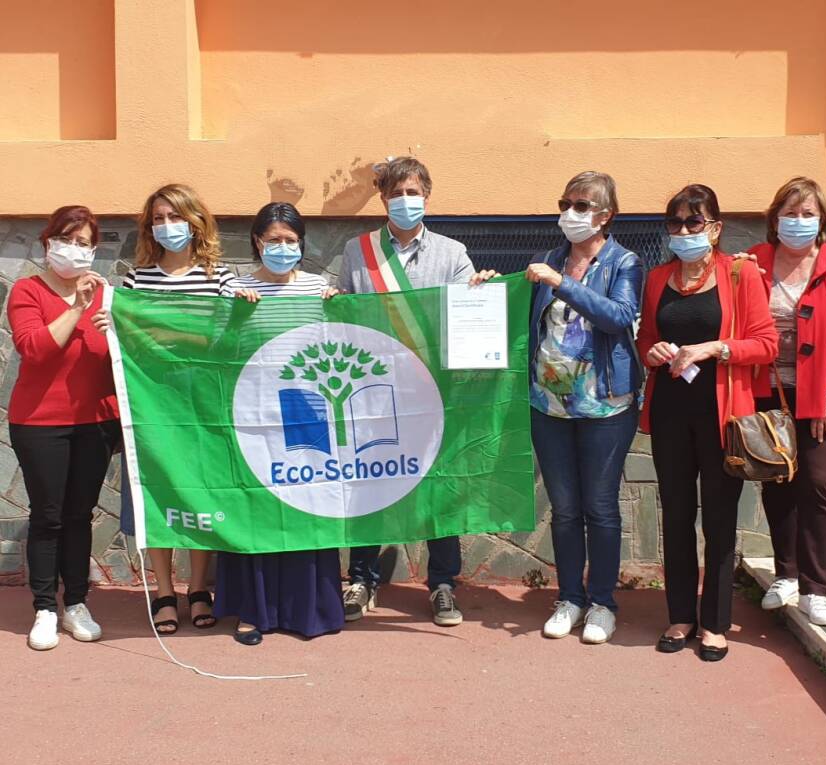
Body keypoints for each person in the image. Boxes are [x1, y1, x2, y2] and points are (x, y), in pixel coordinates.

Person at [337, 156, 493, 626]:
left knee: (437, 489)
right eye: (396, 192)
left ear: (427, 195)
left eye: (413, 192)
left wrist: (480, 293)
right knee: (370, 483)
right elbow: (342, 314)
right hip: (373, 390)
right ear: (382, 197)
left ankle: (443, 583)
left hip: (432, 393)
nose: (405, 201)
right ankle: (362, 578)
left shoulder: (452, 252)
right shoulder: (356, 251)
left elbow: (464, 317)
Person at [637, 184, 777, 662]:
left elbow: (766, 343)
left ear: (715, 228)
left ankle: (715, 622)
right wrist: (652, 352)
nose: (682, 231)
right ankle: (680, 616)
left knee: (718, 520)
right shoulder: (657, 278)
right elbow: (647, 339)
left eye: (693, 222)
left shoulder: (739, 274)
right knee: (676, 516)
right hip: (670, 412)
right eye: (674, 223)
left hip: (722, 418)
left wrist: (716, 348)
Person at [94, 183, 235, 634]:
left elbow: (227, 338)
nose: (167, 226)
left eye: (175, 216)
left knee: (200, 494)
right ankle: (163, 592)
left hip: (203, 407)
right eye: (158, 218)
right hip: (153, 407)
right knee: (154, 491)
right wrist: (114, 325)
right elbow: (138, 342)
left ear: (196, 221)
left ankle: (198, 588)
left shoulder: (221, 278)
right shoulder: (138, 280)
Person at [211, 202, 345, 645]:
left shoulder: (317, 288)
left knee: (307, 503)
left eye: (291, 241)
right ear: (257, 242)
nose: (283, 248)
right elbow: (214, 349)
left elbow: (339, 346)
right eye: (274, 241)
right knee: (259, 508)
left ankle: (309, 609)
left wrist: (341, 309)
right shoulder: (236, 288)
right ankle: (254, 611)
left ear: (301, 245)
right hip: (253, 413)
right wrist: (232, 313)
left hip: (308, 411)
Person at [526, 171, 642, 643]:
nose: (570, 213)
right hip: (548, 406)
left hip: (605, 407)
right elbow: (525, 317)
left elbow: (618, 317)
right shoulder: (550, 258)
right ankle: (569, 597)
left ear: (604, 215)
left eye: (581, 205)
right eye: (565, 202)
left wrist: (563, 285)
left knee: (599, 507)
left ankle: (602, 604)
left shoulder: (624, 262)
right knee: (565, 508)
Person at [751, 177, 826, 627]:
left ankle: (817, 588)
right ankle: (786, 574)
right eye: (790, 213)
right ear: (774, 218)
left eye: (807, 214)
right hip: (765, 390)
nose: (797, 221)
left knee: (817, 482)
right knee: (776, 477)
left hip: (820, 394)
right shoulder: (754, 263)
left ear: (821, 221)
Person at [7, 206, 120, 651]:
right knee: (48, 516)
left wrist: (118, 334)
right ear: (47, 241)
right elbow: (35, 349)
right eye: (67, 239)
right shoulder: (26, 290)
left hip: (94, 421)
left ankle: (76, 602)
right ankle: (44, 608)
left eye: (84, 242)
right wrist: (75, 307)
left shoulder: (106, 293)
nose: (75, 249)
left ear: (94, 250)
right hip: (39, 422)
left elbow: (119, 361)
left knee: (79, 515)